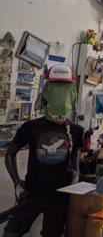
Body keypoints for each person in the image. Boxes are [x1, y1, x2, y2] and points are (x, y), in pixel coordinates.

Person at [3, 64, 84, 237]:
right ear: (47, 91)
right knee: (11, 232)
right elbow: (10, 153)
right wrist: (16, 182)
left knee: (51, 234)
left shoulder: (76, 130)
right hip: (33, 191)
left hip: (61, 193)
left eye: (65, 87)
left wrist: (76, 171)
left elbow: (76, 151)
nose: (60, 92)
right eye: (56, 87)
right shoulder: (31, 127)